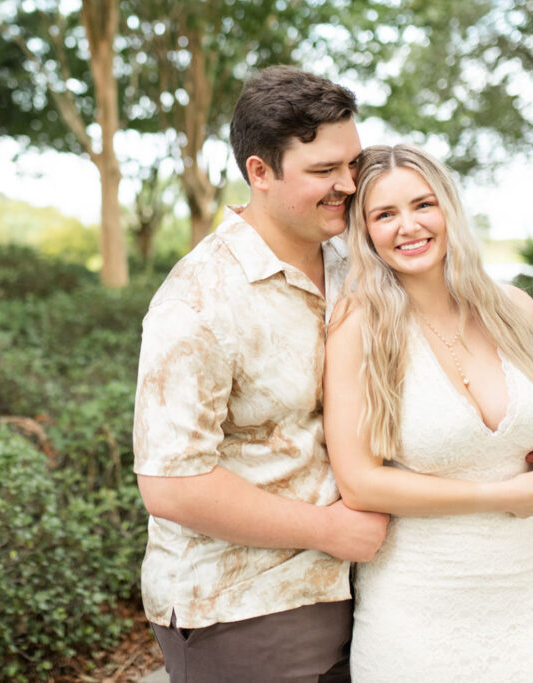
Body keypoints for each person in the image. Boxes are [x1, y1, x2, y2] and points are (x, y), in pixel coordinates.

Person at [323, 144, 533, 682]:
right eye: (384, 214)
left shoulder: (513, 308)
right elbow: (361, 484)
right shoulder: (359, 327)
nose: (408, 226)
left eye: (423, 205)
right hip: (416, 610)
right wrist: (501, 496)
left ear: (449, 209)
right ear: (364, 231)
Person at [132, 66, 389, 682]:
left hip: (366, 591)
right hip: (245, 607)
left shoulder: (358, 263)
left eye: (352, 165)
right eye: (324, 172)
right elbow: (172, 484)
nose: (349, 186)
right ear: (260, 173)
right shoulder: (198, 299)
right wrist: (329, 529)